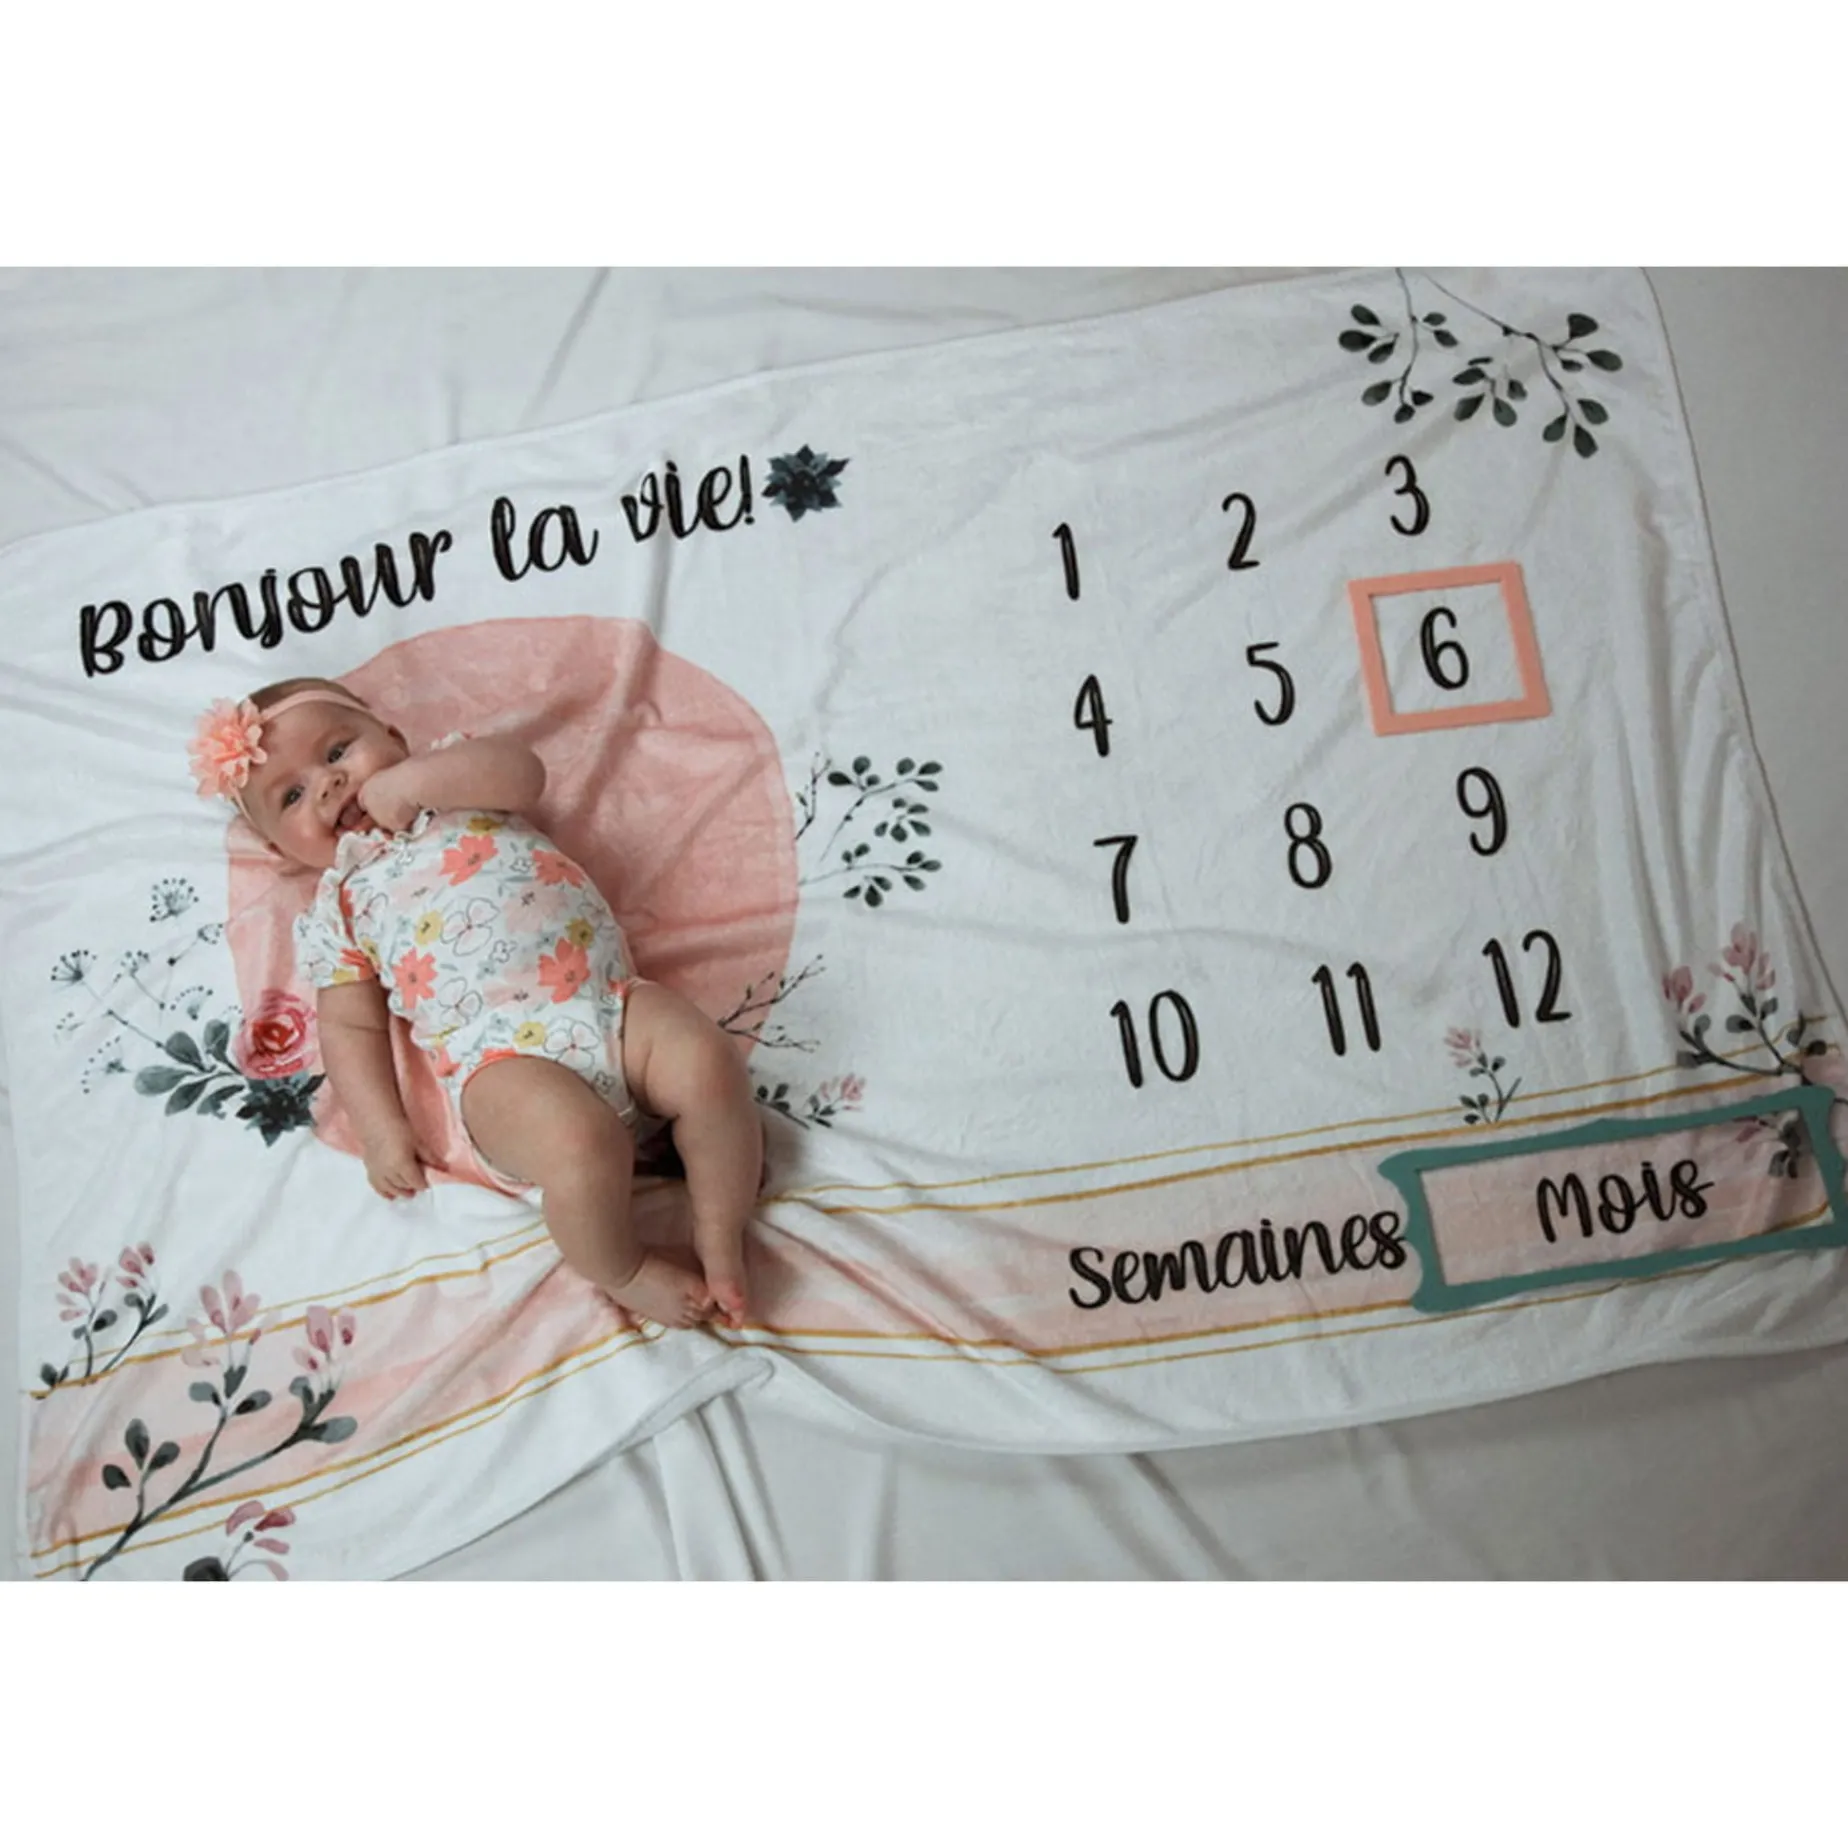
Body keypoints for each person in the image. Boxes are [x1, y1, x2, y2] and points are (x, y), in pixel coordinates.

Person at [187, 676, 761, 1329]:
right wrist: (380, 1129)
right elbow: (349, 1026)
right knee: (582, 1144)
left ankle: (721, 1234)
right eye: (291, 796)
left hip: (608, 1003)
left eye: (338, 751)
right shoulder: (339, 906)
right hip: (502, 1063)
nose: (328, 784)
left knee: (708, 1062)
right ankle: (622, 1270)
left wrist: (415, 784)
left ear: (393, 738)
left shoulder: (455, 783)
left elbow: (525, 775)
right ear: (278, 849)